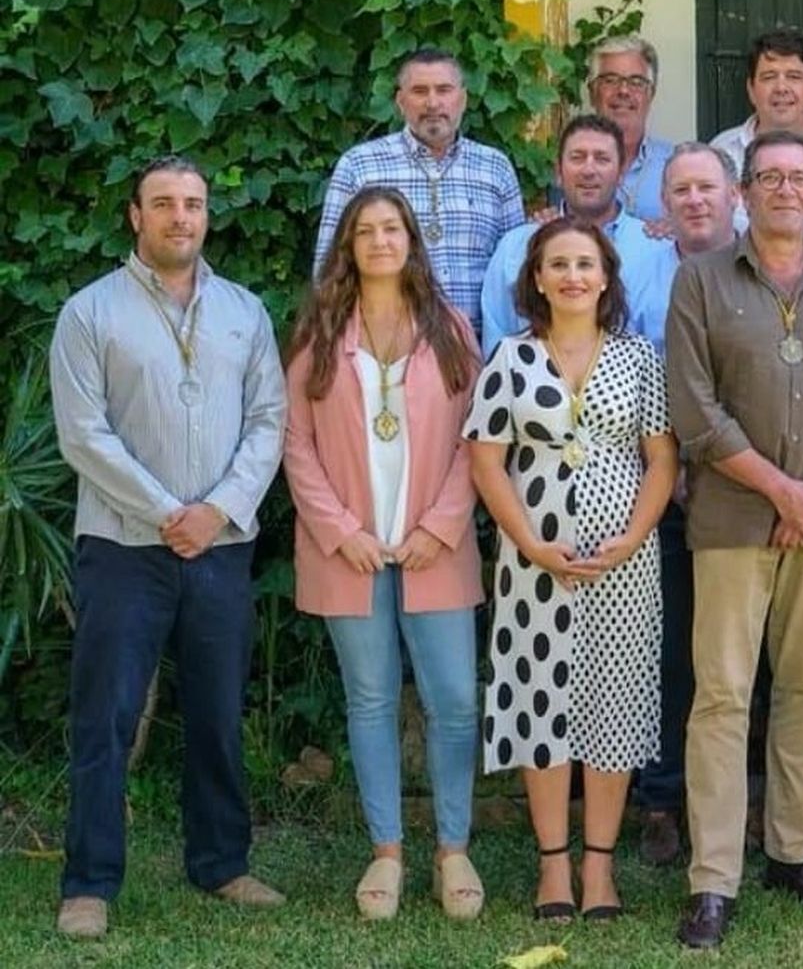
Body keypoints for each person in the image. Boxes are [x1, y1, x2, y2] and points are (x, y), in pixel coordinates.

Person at [667, 131, 803, 949]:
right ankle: (713, 878)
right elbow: (695, 410)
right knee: (722, 697)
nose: (785, 190)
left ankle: (792, 853)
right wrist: (782, 491)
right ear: (743, 191)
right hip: (732, 522)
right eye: (769, 177)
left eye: (800, 178)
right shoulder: (699, 282)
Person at [50, 156, 287, 939]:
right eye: (163, 205)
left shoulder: (245, 312)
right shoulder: (89, 313)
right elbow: (84, 435)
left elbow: (268, 421)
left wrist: (215, 511)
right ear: (135, 217)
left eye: (192, 204)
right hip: (124, 545)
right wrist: (165, 512)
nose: (180, 217)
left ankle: (221, 863)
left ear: (207, 215)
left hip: (219, 546)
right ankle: (88, 883)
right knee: (105, 717)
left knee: (219, 712)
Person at [282, 187, 485, 921]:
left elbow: (478, 440)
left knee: (455, 703)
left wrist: (441, 523)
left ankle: (453, 849)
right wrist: (341, 531)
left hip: (436, 545)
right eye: (364, 230)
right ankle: (388, 852)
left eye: (390, 227)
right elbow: (295, 446)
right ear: (348, 245)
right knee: (369, 700)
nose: (378, 240)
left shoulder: (452, 328)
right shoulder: (318, 334)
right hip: (351, 550)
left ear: (410, 239)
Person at [464, 216, 675, 922]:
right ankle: (553, 867)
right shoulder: (509, 357)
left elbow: (663, 459)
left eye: (586, 264)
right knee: (539, 704)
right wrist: (527, 541)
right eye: (560, 265)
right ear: (538, 279)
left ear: (607, 277)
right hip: (533, 566)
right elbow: (486, 460)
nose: (574, 276)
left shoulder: (640, 358)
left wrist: (633, 537)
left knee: (612, 706)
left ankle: (601, 869)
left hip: (625, 565)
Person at [627, 142, 742, 865]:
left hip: (745, 490)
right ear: (663, 206)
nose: (694, 200)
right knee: (665, 652)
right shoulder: (639, 275)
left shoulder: (766, 268)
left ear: (735, 197)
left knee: (743, 656)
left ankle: (750, 799)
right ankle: (664, 799)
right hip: (658, 489)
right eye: (681, 190)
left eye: (707, 188)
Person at [315, 48, 524, 335]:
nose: (433, 102)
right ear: (401, 101)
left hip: (481, 351)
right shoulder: (360, 166)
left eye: (444, 89)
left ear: (463, 99)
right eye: (419, 91)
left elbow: (515, 271)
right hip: (388, 351)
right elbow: (329, 269)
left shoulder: (496, 168)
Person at [481, 114, 656, 357]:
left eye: (602, 159)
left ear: (621, 173)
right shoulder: (516, 248)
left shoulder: (654, 248)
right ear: (558, 172)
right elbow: (496, 347)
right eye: (577, 157)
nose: (588, 170)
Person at [710, 26, 803, 246]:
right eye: (769, 77)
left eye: (794, 77)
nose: (781, 88)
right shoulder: (720, 152)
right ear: (751, 88)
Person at [586, 35, 674, 222]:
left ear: (651, 94)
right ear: (592, 93)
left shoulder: (675, 164)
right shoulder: (572, 166)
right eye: (610, 80)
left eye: (636, 82)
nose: (623, 91)